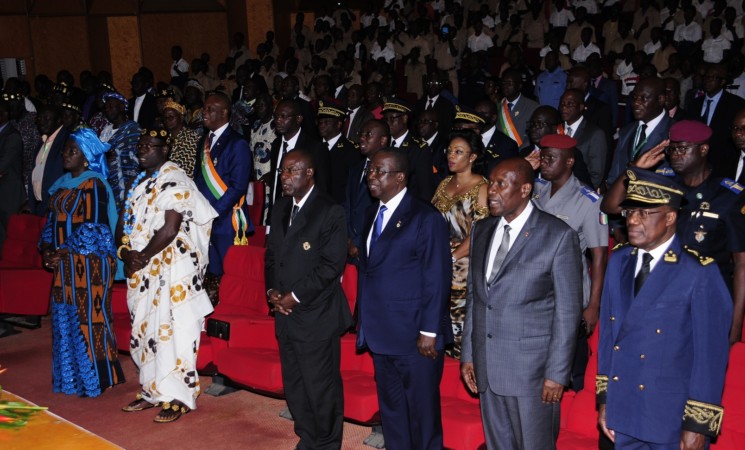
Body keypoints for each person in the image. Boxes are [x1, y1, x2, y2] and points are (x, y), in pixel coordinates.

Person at [596, 168, 732, 449]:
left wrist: (698, 425)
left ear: (670, 217)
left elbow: (711, 356)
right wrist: (605, 400)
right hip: (623, 410)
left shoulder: (698, 272)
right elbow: (609, 338)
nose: (632, 220)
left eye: (645, 213)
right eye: (630, 211)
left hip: (668, 416)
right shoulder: (619, 261)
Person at [460, 157, 583, 449]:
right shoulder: (482, 230)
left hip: (532, 373)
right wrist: (468, 354)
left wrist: (556, 373)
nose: (492, 190)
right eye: (491, 182)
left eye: (502, 184)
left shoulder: (557, 235)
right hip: (487, 364)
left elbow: (567, 313)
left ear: (525, 189)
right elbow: (475, 298)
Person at [603, 120, 745, 345]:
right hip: (659, 293)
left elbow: (741, 265)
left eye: (683, 149)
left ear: (703, 149)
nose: (676, 155)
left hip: (705, 298)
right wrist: (635, 169)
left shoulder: (728, 196)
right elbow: (610, 207)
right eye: (672, 149)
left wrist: (735, 328)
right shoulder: (662, 183)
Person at [119, 127, 217, 422]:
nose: (142, 148)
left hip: (173, 271)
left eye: (150, 145)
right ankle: (152, 390)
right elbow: (124, 230)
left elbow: (170, 228)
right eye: (141, 144)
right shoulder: (140, 185)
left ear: (165, 150)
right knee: (146, 332)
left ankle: (179, 395)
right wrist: (126, 255)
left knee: (175, 332)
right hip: (145, 269)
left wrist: (142, 256)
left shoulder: (175, 180)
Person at [356, 149, 452, 450]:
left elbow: (436, 278)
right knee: (393, 414)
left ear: (399, 177)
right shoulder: (372, 212)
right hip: (381, 333)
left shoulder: (425, 217)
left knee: (422, 418)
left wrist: (429, 331)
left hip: (415, 337)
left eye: (379, 171)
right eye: (370, 170)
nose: (371, 176)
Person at [265, 148, 352, 449]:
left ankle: (328, 444)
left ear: (310, 173)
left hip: (316, 314)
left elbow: (331, 266)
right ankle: (308, 438)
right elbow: (272, 256)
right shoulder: (279, 208)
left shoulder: (329, 210)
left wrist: (295, 297)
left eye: (292, 171)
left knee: (321, 386)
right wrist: (272, 293)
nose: (285, 177)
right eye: (283, 172)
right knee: (296, 385)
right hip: (284, 314)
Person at [39, 127, 124, 397]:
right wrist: (46, 250)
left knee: (90, 318)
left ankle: (98, 378)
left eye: (73, 151)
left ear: (86, 158)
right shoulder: (62, 186)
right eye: (66, 150)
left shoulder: (95, 184)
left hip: (91, 264)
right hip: (65, 264)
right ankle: (71, 378)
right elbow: (51, 224)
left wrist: (62, 251)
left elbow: (95, 228)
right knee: (65, 318)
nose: (66, 154)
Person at [533, 134, 608, 391]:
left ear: (569, 162)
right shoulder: (536, 189)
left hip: (568, 293)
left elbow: (599, 256)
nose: (544, 163)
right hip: (536, 289)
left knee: (567, 363)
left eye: (551, 158)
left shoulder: (588, 200)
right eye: (542, 157)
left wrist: (594, 305)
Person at [431, 130, 488, 359]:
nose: (451, 156)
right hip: (438, 260)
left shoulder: (482, 187)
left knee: (460, 321)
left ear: (472, 157)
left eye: (458, 152)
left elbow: (480, 232)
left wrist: (452, 258)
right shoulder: (444, 183)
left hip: (464, 266)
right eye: (449, 151)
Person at [194, 91, 253, 289]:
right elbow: (198, 180)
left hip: (227, 221)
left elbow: (238, 187)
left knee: (230, 276)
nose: (204, 113)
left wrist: (213, 213)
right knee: (209, 274)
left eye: (210, 109)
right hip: (204, 219)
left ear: (224, 112)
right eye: (204, 108)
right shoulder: (204, 141)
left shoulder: (238, 143)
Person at [100, 91, 141, 211]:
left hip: (127, 182)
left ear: (122, 107)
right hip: (107, 182)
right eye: (106, 107)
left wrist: (111, 154)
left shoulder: (133, 128)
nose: (108, 109)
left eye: (111, 106)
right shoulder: (105, 131)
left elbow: (134, 156)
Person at [0, 99, 25, 250]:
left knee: (12, 235)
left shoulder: (12, 136)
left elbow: (2, 163)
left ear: (4, 115)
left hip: (10, 193)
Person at [162, 100, 200, 178]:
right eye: (165, 117)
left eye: (171, 116)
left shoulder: (192, 138)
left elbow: (189, 170)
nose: (167, 120)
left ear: (181, 118)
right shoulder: (165, 139)